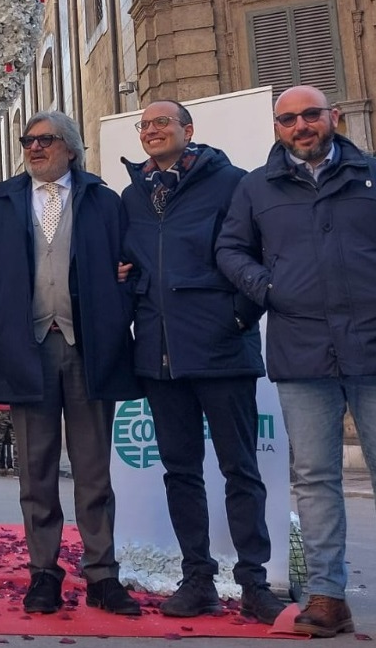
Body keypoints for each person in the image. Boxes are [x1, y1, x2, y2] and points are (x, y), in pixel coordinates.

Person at [217, 84, 376, 638]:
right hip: (301, 349)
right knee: (314, 478)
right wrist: (268, 287)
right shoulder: (256, 187)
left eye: (311, 115)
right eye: (289, 119)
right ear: (277, 128)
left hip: (372, 345)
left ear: (332, 116)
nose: (301, 126)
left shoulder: (368, 176)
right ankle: (329, 598)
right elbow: (229, 248)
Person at [121, 100, 285, 624]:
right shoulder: (133, 195)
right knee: (180, 472)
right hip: (159, 354)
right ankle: (198, 579)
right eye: (144, 125)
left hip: (221, 350)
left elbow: (261, 258)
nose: (151, 130)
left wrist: (237, 318)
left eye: (162, 122)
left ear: (188, 131)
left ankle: (255, 583)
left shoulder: (232, 182)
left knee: (241, 469)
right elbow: (129, 262)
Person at [0, 111, 141, 617]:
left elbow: (131, 266)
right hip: (27, 349)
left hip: (88, 348)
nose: (34, 147)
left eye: (45, 140)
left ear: (70, 148)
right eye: (29, 140)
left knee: (93, 472)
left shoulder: (103, 201)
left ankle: (102, 575)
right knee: (35, 471)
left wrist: (116, 313)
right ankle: (44, 572)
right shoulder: (0, 203)